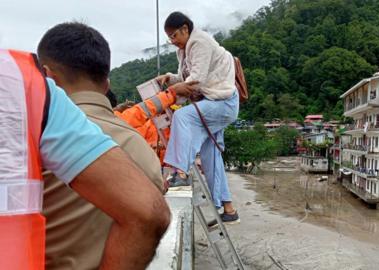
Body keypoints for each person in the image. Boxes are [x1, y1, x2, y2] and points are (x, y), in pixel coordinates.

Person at [0, 49, 170, 270]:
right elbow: (148, 214)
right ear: (106, 85)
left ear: (48, 73)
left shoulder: (36, 104)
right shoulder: (20, 84)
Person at [157, 11, 240, 223]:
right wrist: (171, 78)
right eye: (170, 38)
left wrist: (171, 93)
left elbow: (195, 81)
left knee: (183, 118)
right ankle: (228, 209)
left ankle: (180, 174)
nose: (173, 41)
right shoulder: (184, 51)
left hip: (222, 102)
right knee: (210, 155)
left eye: (174, 36)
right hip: (211, 102)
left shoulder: (200, 42)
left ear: (185, 29)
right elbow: (187, 78)